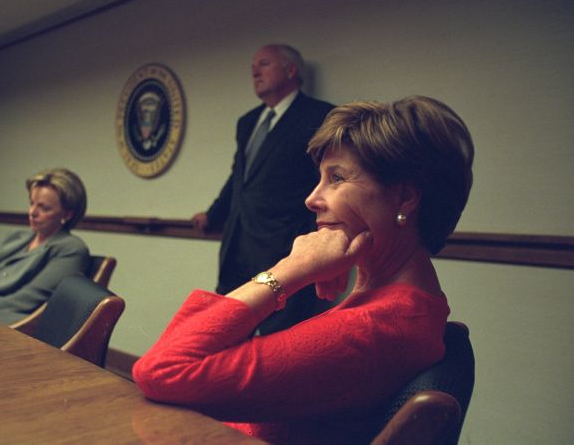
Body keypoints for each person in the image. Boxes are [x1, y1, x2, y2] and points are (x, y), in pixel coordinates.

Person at [134, 96, 475, 444]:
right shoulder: (404, 303)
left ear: (404, 199)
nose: (312, 198)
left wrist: (289, 269)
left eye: (337, 177)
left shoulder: (374, 326)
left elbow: (162, 368)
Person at [192, 44, 334, 335]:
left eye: (264, 64)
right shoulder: (247, 122)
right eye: (253, 66)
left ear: (291, 70)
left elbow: (326, 183)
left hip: (284, 248)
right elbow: (239, 179)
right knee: (225, 335)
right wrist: (213, 214)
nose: (255, 71)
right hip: (237, 245)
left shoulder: (319, 117)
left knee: (278, 343)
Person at [0, 168, 90, 325]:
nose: (33, 212)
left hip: (4, 323)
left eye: (44, 208)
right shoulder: (16, 237)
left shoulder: (71, 248)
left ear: (67, 215)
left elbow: (27, 299)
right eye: (32, 203)